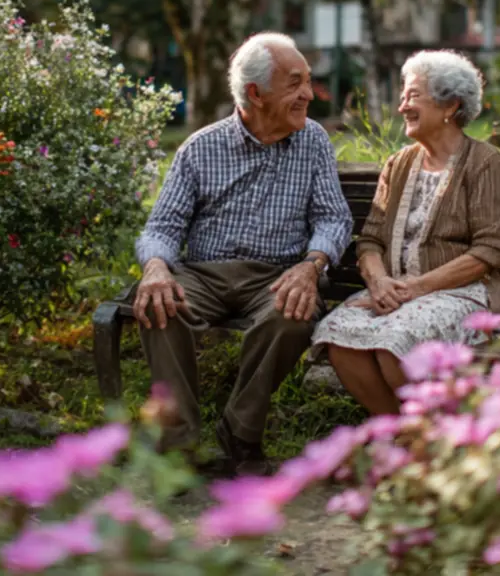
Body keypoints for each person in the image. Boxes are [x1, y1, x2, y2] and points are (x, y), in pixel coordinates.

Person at [133, 32, 353, 474]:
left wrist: (311, 267)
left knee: (291, 316)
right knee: (161, 306)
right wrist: (156, 266)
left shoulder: (312, 142)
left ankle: (240, 435)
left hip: (275, 274)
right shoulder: (201, 148)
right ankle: (177, 448)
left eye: (308, 81)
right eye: (295, 83)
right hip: (203, 272)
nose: (309, 94)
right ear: (255, 93)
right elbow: (162, 226)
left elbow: (334, 218)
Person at [312, 50, 500, 414]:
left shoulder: (484, 162)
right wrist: (379, 283)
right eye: (403, 96)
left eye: (413, 95)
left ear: (450, 104)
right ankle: (405, 434)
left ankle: (424, 437)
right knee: (336, 335)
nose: (402, 106)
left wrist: (415, 288)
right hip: (397, 291)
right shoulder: (399, 163)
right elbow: (371, 239)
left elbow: (489, 251)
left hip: (461, 294)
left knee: (394, 341)